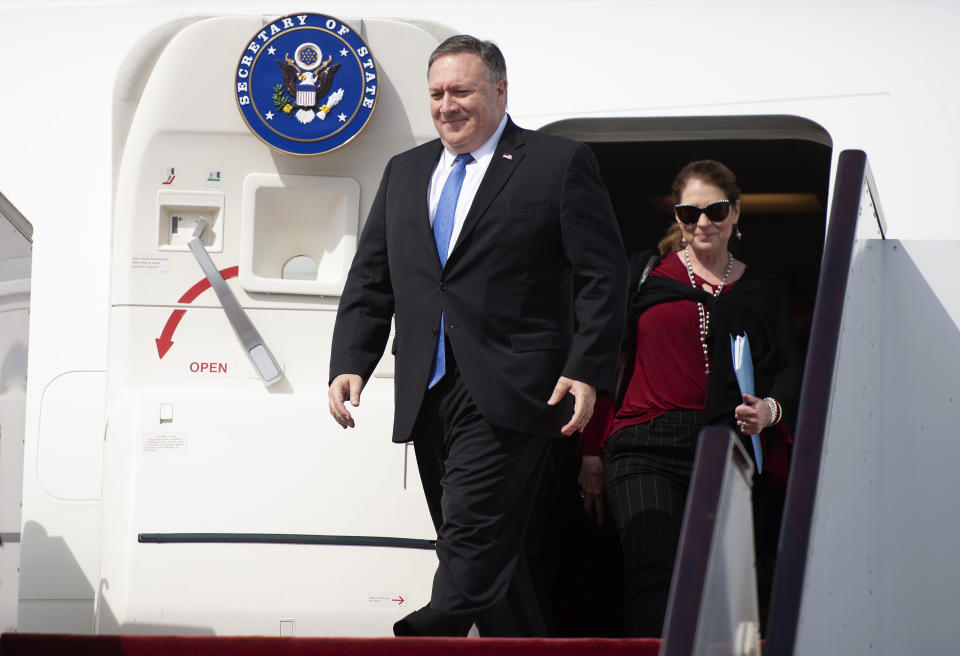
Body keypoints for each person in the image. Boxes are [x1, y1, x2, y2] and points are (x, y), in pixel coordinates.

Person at [327, 35, 628, 637]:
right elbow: (373, 275)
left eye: (460, 91)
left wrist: (588, 365)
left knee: (469, 531)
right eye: (436, 93)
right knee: (493, 552)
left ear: (499, 90)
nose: (446, 105)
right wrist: (351, 359)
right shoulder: (406, 170)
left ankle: (423, 635)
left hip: (515, 385)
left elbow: (605, 273)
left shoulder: (556, 163)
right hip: (427, 386)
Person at [578, 159, 802, 637]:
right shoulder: (644, 273)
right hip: (641, 444)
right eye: (689, 212)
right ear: (677, 218)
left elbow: (787, 373)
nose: (703, 222)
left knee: (717, 580)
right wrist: (591, 451)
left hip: (723, 448)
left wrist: (769, 411)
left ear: (736, 212)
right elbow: (605, 361)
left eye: (715, 210)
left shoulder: (762, 290)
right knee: (652, 572)